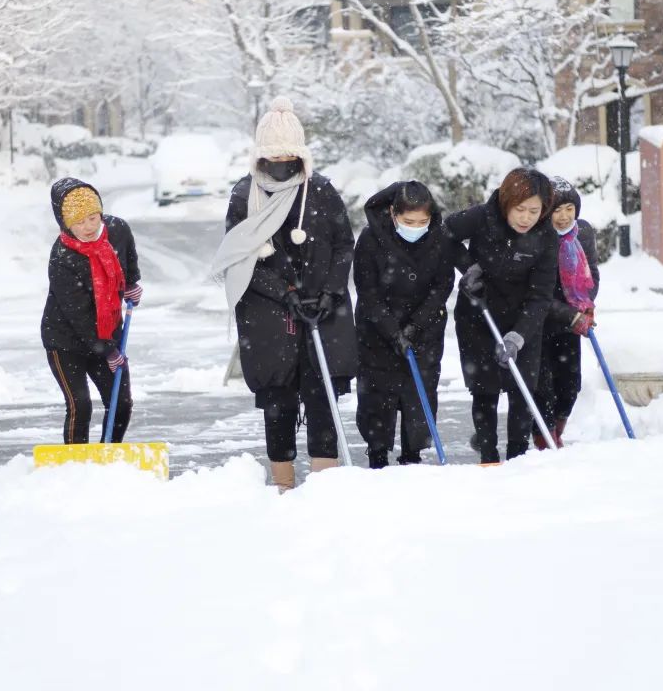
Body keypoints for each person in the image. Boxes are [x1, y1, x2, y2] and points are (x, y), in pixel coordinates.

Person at [210, 97, 356, 492]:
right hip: (268, 314)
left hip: (323, 312)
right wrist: (284, 292)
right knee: (279, 403)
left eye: (288, 156)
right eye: (272, 156)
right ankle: (284, 488)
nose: (281, 163)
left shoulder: (322, 191)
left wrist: (329, 291)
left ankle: (325, 487)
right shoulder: (245, 196)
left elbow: (344, 245)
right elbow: (239, 257)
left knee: (322, 399)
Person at [446, 168, 558, 464]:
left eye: (534, 211)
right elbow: (445, 233)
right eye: (519, 209)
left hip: (523, 320)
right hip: (477, 314)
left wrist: (518, 336)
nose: (526, 218)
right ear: (507, 203)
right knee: (485, 389)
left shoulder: (546, 237)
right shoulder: (484, 216)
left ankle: (518, 458)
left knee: (522, 389)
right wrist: (470, 268)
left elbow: (541, 296)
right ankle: (488, 455)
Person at [353, 181, 454, 468]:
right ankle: (377, 456)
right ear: (392, 213)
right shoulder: (371, 239)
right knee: (378, 402)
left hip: (425, 332)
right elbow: (367, 290)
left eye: (423, 221)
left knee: (418, 402)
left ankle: (413, 456)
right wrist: (392, 330)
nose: (416, 226)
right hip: (378, 333)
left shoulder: (439, 238)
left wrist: (416, 326)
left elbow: (442, 286)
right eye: (409, 221)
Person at [41, 177, 143, 444]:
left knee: (120, 403)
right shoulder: (62, 257)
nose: (87, 227)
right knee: (80, 405)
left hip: (107, 331)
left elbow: (128, 257)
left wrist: (132, 283)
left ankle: (108, 456)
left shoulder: (117, 230)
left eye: (92, 218)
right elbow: (79, 316)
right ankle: (77, 465)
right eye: (78, 222)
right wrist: (108, 351)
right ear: (65, 224)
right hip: (66, 340)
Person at [532, 177, 600, 448]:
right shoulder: (537, 238)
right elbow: (539, 292)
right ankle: (545, 439)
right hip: (539, 322)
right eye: (556, 210)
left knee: (570, 385)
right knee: (543, 386)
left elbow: (591, 274)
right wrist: (568, 313)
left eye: (569, 209)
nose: (563, 217)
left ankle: (556, 431)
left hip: (571, 322)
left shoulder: (582, 234)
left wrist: (586, 304)